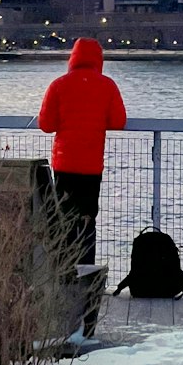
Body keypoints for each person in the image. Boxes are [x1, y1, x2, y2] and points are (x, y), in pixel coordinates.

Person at [37, 36, 126, 267]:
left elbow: (46, 124)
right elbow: (118, 121)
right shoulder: (107, 85)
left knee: (64, 216)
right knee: (87, 218)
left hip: (65, 164)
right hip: (91, 165)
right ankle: (86, 269)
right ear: (99, 59)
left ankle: (63, 268)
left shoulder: (59, 85)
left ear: (72, 58)